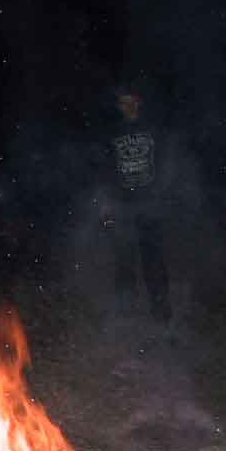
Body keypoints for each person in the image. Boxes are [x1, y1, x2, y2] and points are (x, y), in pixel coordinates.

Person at [98, 86, 172, 322]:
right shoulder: (113, 132)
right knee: (124, 259)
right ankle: (126, 313)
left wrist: (163, 193)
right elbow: (106, 169)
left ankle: (161, 313)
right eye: (123, 102)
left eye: (131, 101)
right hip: (123, 205)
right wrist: (106, 203)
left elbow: (164, 161)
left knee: (154, 260)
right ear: (119, 106)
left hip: (151, 203)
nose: (127, 106)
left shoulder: (152, 128)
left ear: (139, 102)